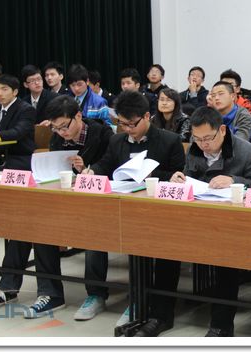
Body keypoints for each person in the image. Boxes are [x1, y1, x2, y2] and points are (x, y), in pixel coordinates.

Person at [135, 106, 251, 337]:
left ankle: (221, 327)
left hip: (231, 225)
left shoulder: (248, 152)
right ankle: (160, 316)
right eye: (197, 139)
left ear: (222, 130)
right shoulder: (194, 149)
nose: (203, 144)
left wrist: (234, 180)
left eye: (208, 138)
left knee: (225, 260)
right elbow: (191, 180)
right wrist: (179, 179)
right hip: (195, 220)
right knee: (165, 251)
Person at [83, 90, 186, 327]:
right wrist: (93, 171)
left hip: (158, 211)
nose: (128, 129)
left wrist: (152, 174)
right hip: (122, 205)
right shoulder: (117, 140)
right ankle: (96, 294)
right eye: (123, 124)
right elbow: (106, 164)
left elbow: (179, 175)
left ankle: (141, 301)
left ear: (147, 116)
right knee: (93, 235)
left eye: (132, 124)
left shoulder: (169, 140)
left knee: (145, 244)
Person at [0, 76, 62, 320]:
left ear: (16, 91)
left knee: (35, 228)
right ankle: (8, 288)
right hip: (4, 169)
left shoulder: (26, 109)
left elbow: (17, 133)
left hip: (27, 168)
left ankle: (49, 292)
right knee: (19, 229)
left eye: (4, 89)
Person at [46, 95, 114, 321]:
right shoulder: (57, 138)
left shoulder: (103, 134)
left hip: (99, 202)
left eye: (64, 126)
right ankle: (48, 292)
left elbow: (113, 169)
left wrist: (87, 168)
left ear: (78, 116)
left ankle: (96, 294)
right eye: (56, 128)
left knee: (93, 232)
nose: (61, 132)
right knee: (40, 226)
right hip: (67, 198)